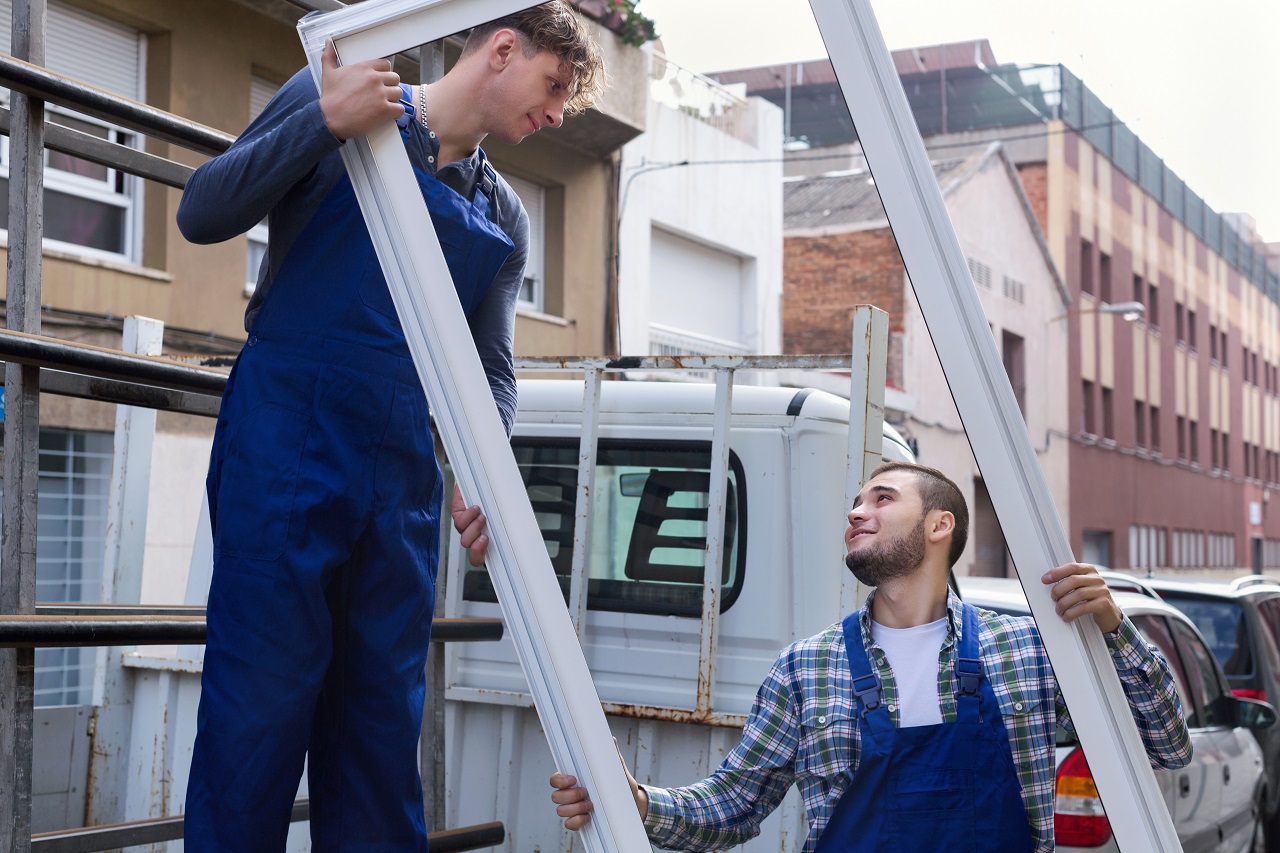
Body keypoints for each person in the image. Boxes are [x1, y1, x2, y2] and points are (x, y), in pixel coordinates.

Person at [176, 4, 604, 849]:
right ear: (502, 49)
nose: (556, 114)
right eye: (553, 86)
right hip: (284, 436)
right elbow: (201, 212)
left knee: (380, 723)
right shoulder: (340, 92)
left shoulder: (506, 217)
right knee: (256, 709)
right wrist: (325, 124)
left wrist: (484, 474)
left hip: (402, 473)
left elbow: (491, 372)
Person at [549, 461, 1192, 852]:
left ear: (940, 526)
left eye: (882, 499)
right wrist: (637, 805)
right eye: (855, 502)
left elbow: (1165, 744)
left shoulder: (1024, 652)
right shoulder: (807, 669)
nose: (857, 512)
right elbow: (734, 807)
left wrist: (1113, 630)